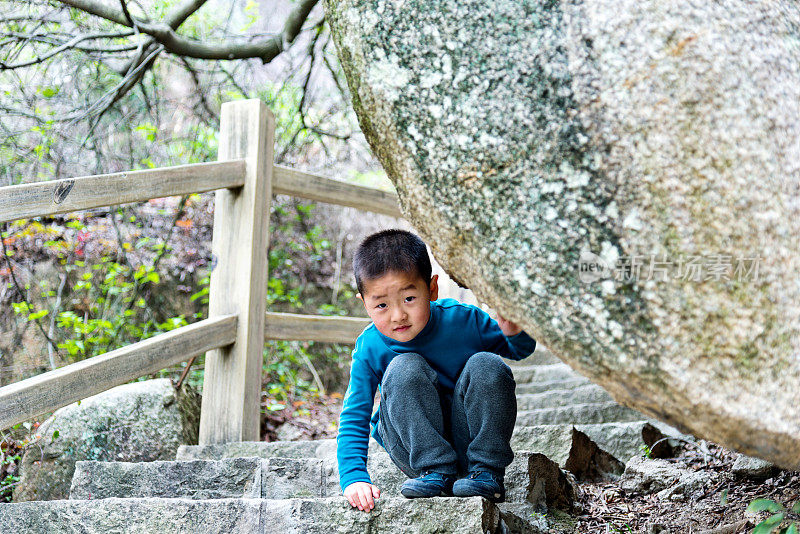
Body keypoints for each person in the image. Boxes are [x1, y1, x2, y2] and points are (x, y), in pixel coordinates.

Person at [337, 229, 537, 513]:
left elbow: (520, 351)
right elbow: (355, 415)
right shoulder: (369, 347)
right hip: (415, 453)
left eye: (409, 299)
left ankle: (486, 473)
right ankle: (436, 472)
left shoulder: (464, 320)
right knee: (404, 366)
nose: (397, 315)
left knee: (487, 363)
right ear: (365, 304)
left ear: (432, 289)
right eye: (381, 305)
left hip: (471, 444)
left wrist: (514, 331)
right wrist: (353, 478)